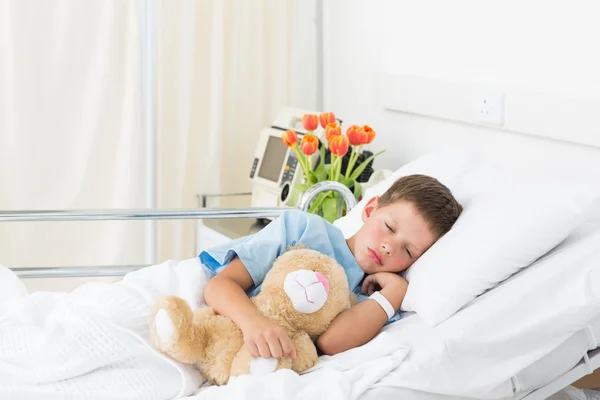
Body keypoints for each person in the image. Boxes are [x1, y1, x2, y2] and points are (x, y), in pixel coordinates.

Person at [201, 174, 463, 359]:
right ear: (371, 208)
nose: (388, 247)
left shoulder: (372, 297)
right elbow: (220, 285)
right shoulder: (304, 229)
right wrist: (255, 324)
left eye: (407, 250)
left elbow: (331, 343)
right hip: (222, 327)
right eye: (389, 227)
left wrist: (394, 291)